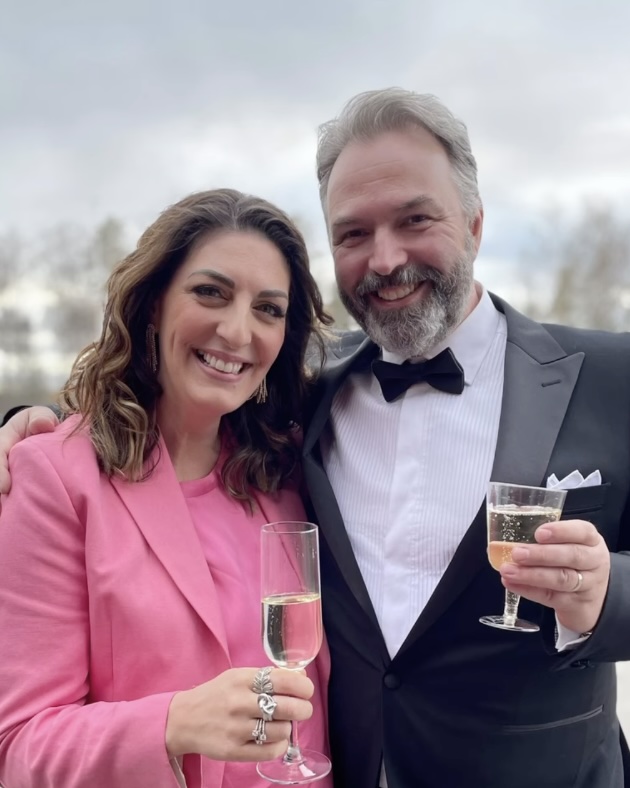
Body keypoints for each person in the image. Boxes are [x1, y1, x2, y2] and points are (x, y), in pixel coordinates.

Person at [3, 89, 630, 788]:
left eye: (415, 219)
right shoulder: (307, 402)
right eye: (354, 234)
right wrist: (32, 426)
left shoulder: (612, 377)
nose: (385, 259)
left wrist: (606, 596)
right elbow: (170, 404)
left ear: (476, 224)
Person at [0, 188, 334, 788]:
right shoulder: (56, 478)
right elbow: (17, 746)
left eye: (268, 308)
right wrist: (173, 724)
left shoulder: (292, 469)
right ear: (154, 303)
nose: (237, 331)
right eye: (210, 292)